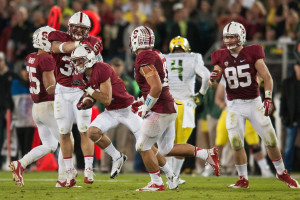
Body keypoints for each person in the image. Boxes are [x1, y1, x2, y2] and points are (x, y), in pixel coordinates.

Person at [70, 45, 179, 190]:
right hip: (111, 112)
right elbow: (93, 96)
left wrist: (88, 90)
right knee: (92, 132)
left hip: (127, 110)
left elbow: (106, 98)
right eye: (76, 61)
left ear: (89, 60)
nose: (77, 65)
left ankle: (170, 174)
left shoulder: (102, 69)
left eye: (79, 61)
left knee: (147, 146)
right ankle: (117, 156)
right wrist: (86, 101)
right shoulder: (80, 76)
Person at [209, 21, 299, 188]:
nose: (228, 41)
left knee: (270, 140)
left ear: (241, 37)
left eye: (232, 37)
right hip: (234, 105)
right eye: (226, 37)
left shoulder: (252, 53)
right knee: (236, 142)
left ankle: (282, 173)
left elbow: (267, 77)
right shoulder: (220, 56)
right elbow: (213, 84)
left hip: (253, 102)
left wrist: (268, 98)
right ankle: (243, 178)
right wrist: (212, 80)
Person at [129, 25, 220, 191]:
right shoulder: (156, 54)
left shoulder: (144, 57)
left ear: (137, 40)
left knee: (142, 146)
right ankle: (205, 155)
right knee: (167, 149)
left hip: (160, 109)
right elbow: (160, 85)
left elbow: (156, 87)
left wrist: (146, 107)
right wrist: (143, 100)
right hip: (170, 106)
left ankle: (156, 182)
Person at [48, 11, 103, 187]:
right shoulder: (59, 37)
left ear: (88, 29)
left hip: (81, 90)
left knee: (84, 130)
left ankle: (88, 169)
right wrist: (79, 45)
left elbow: (99, 66)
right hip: (62, 90)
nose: (79, 30)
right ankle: (69, 172)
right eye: (76, 27)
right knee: (64, 132)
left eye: (82, 28)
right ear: (69, 27)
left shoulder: (94, 42)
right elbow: (56, 48)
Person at [9, 26, 63, 187]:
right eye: (52, 41)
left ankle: (21, 163)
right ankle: (64, 179)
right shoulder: (46, 59)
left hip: (37, 108)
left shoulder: (31, 57)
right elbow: (49, 87)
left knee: (50, 145)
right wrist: (67, 89)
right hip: (48, 105)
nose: (54, 44)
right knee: (66, 141)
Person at [163, 36, 210, 183]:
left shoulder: (163, 57)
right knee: (181, 144)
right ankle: (174, 176)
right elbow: (206, 75)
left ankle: (170, 176)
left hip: (167, 104)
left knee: (167, 144)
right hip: (186, 105)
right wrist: (201, 94)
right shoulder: (194, 57)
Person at [214, 77, 273, 177]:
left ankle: (265, 169)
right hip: (231, 111)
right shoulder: (227, 75)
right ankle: (211, 168)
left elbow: (259, 93)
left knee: (254, 142)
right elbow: (218, 98)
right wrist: (225, 107)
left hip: (248, 109)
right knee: (219, 142)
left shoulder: (249, 72)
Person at [280, 62, 300, 173]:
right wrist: (283, 116)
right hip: (292, 118)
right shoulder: (287, 83)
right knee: (288, 146)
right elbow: (283, 100)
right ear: (295, 67)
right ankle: (286, 169)